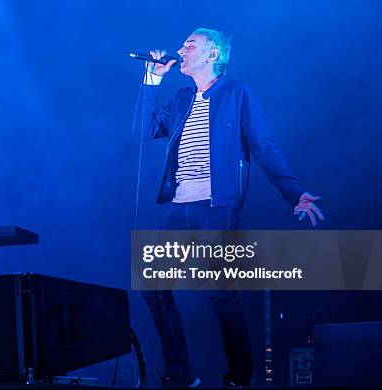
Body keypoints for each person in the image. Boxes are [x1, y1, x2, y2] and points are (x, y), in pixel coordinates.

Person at [132, 28, 324, 387]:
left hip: (216, 207)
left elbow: (263, 147)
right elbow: (143, 131)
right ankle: (180, 373)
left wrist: (293, 192)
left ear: (212, 53)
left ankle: (239, 377)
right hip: (178, 207)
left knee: (220, 293)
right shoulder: (181, 98)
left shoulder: (237, 94)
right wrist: (152, 79)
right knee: (153, 289)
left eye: (190, 44)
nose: (181, 49)